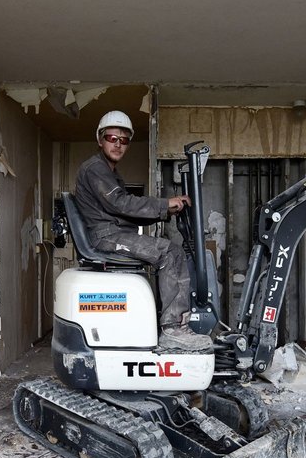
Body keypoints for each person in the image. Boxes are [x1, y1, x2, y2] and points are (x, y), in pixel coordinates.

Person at [74, 110, 212, 351]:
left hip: (113, 233)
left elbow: (125, 211)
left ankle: (165, 323)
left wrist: (167, 210)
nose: (118, 144)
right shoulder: (95, 169)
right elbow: (121, 203)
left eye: (124, 140)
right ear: (100, 139)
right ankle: (174, 329)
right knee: (171, 252)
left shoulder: (109, 172)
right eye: (111, 138)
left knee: (168, 252)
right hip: (106, 238)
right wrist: (164, 203)